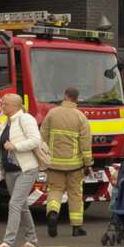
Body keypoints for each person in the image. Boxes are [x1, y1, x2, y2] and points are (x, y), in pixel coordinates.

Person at [0, 92, 43, 247]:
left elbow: (36, 140)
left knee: (14, 204)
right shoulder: (4, 123)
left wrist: (15, 146)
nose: (2, 106)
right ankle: (32, 240)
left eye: (4, 104)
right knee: (21, 206)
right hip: (10, 171)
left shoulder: (25, 119)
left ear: (14, 105)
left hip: (27, 169)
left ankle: (7, 243)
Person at [40, 87, 93, 238]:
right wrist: (88, 163)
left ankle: (52, 213)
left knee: (55, 191)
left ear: (65, 96)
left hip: (54, 163)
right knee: (75, 194)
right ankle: (77, 228)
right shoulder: (80, 117)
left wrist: (43, 159)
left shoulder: (52, 113)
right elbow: (85, 143)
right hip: (75, 165)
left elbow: (42, 137)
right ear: (77, 99)